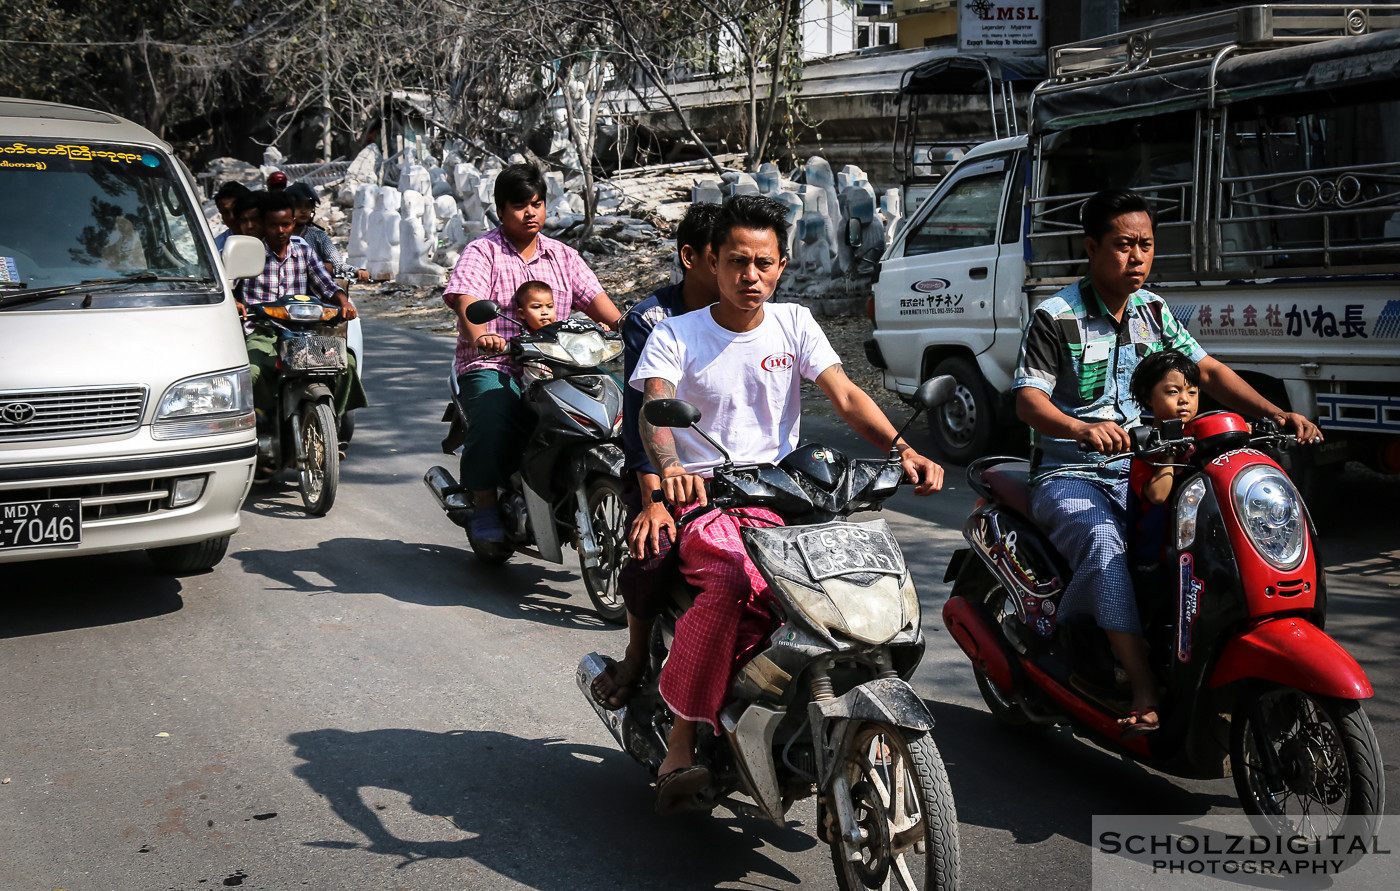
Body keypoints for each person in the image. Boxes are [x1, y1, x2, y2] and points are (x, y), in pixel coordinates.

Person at [633, 195, 945, 811]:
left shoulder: (795, 323)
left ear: (781, 265)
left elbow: (847, 397)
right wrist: (671, 470)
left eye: (764, 263)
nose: (752, 276)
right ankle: (682, 737)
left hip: (790, 496)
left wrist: (904, 448)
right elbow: (655, 408)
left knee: (853, 581)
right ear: (714, 265)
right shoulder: (675, 332)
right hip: (710, 499)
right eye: (737, 262)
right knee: (730, 583)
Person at [1012, 189, 1322, 738]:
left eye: (1146, 246)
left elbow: (1208, 371)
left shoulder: (1152, 311)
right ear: (1091, 247)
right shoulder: (1054, 317)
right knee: (1105, 545)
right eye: (1124, 245)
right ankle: (1140, 684)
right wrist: (1082, 428)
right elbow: (1028, 400)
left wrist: (1279, 412)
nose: (1137, 258)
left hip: (1155, 466)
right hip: (1071, 474)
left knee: (1213, 536)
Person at [441, 163, 621, 544]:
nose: (530, 213)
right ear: (501, 209)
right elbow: (465, 301)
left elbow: (599, 304)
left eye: (537, 204)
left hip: (560, 362)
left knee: (616, 406)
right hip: (497, 361)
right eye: (520, 206)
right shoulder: (483, 252)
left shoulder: (563, 256)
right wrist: (481, 337)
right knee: (494, 413)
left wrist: (628, 327)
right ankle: (485, 505)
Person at [589, 202, 722, 711]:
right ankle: (637, 653)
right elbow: (643, 413)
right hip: (668, 470)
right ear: (690, 258)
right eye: (724, 260)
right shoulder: (654, 320)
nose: (741, 274)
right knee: (655, 550)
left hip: (745, 476)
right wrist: (656, 498)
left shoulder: (766, 315)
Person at [238, 191, 367, 478]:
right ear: (264, 224)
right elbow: (229, 285)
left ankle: (328, 424)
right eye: (274, 226)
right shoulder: (249, 252)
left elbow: (325, 284)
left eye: (286, 225)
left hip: (302, 331)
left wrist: (343, 302)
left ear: (293, 222)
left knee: (346, 363)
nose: (280, 231)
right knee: (254, 371)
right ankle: (265, 420)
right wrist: (236, 302)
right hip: (262, 330)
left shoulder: (303, 249)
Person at [284, 182, 370, 283]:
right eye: (298, 206)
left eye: (307, 207)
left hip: (315, 289)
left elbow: (338, 263)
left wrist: (357, 271)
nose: (304, 211)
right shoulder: (279, 235)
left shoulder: (318, 235)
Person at [213, 181, 250, 252]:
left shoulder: (272, 241)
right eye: (225, 213)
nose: (232, 217)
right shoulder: (217, 248)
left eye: (236, 210)